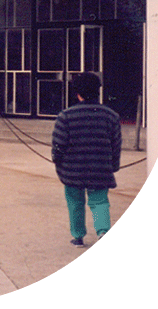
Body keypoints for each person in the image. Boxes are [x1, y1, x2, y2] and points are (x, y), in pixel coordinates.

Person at [51, 72, 122, 247]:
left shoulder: (66, 116)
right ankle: (103, 231)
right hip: (100, 168)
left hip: (72, 170)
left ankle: (78, 236)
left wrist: (57, 161)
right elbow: (116, 145)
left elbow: (59, 145)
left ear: (77, 92)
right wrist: (113, 165)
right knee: (99, 201)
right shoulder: (111, 115)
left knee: (75, 202)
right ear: (98, 91)